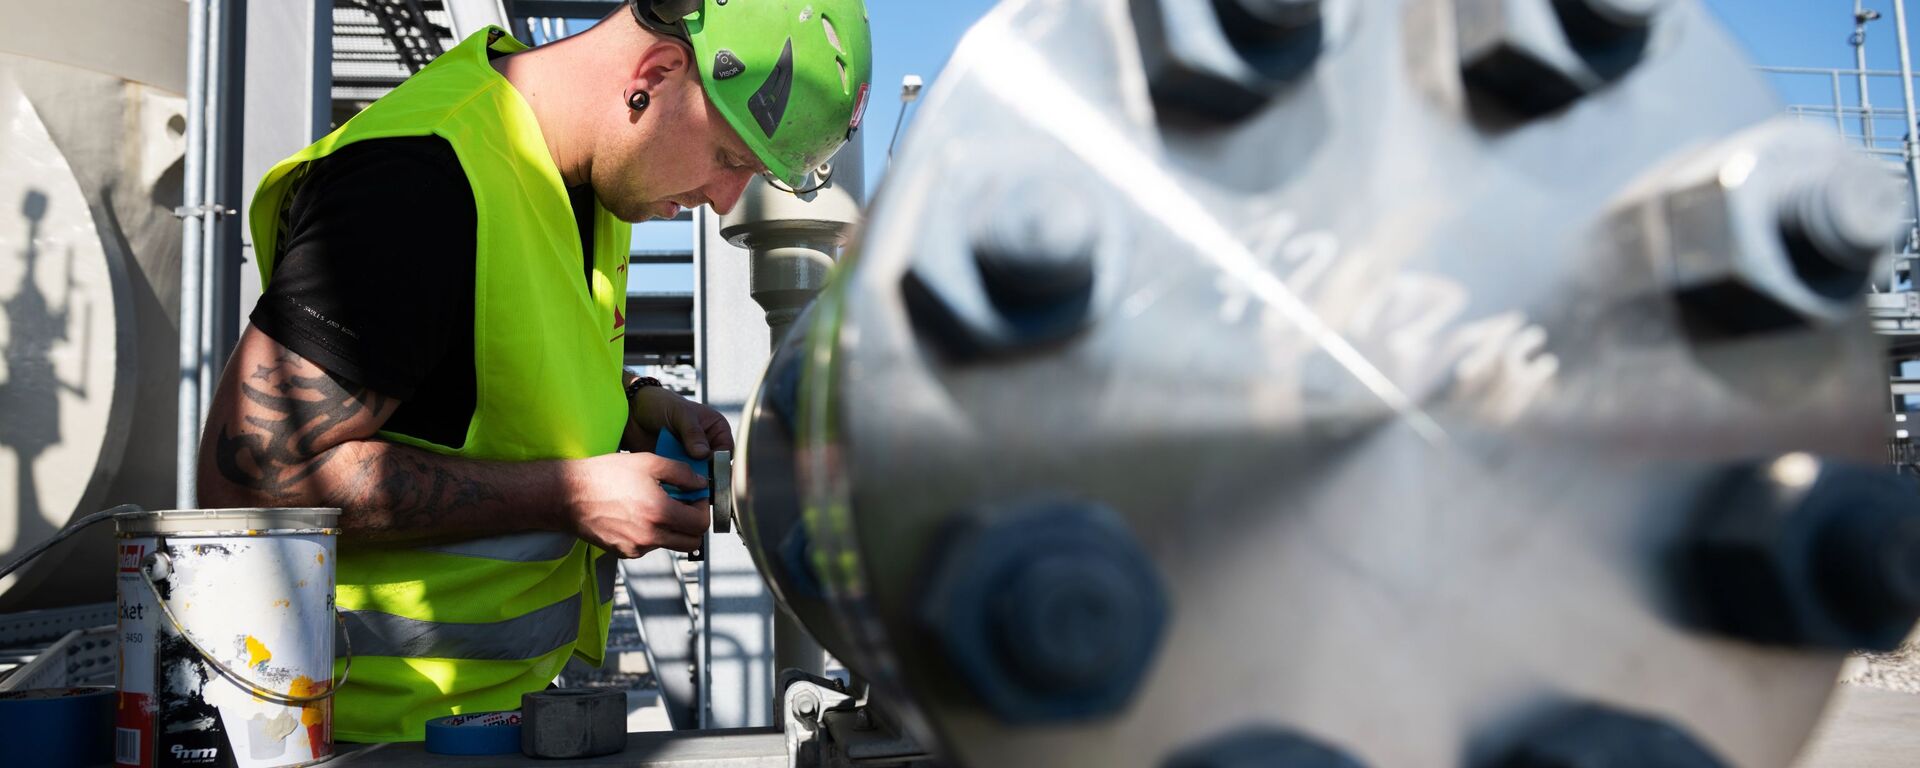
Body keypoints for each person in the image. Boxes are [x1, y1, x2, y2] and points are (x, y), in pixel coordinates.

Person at [194, 0, 872, 742]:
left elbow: (471, 357)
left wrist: (636, 403)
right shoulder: (418, 183)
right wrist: (569, 494)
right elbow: (248, 480)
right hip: (349, 732)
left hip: (482, 724)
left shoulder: (587, 177)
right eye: (730, 158)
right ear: (658, 74)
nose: (724, 200)